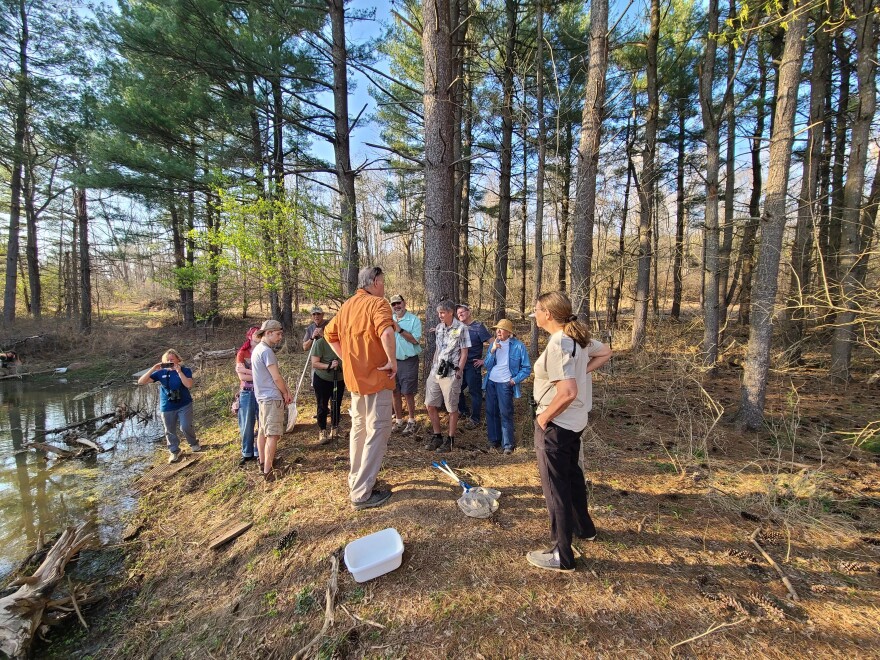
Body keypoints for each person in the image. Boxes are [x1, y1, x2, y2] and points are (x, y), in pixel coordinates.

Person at [527, 291, 612, 572]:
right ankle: (584, 528)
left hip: (557, 426)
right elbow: (606, 351)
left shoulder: (559, 343)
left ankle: (561, 555)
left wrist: (544, 418)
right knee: (573, 476)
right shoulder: (576, 337)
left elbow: (568, 392)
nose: (534, 314)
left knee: (556, 488)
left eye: (537, 310)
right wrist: (582, 371)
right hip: (575, 423)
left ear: (548, 314)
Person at [325, 265, 397, 510]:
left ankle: (357, 480)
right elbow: (387, 332)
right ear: (375, 281)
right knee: (377, 430)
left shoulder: (346, 306)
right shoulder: (378, 304)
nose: (384, 287)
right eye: (383, 282)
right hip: (377, 378)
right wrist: (392, 361)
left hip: (355, 380)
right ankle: (361, 493)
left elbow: (329, 334)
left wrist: (347, 359)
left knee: (360, 430)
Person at [137, 349, 201, 463]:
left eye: (172, 359)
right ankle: (174, 451)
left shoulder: (185, 370)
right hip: (167, 406)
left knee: (185, 426)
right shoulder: (161, 373)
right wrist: (153, 369)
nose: (170, 361)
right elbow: (141, 382)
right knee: (169, 430)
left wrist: (179, 372)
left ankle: (194, 444)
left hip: (184, 404)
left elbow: (189, 385)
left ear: (178, 360)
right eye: (167, 360)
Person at [424, 300, 471, 453]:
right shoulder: (439, 328)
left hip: (451, 373)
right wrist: (433, 365)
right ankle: (437, 435)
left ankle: (450, 439)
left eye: (443, 313)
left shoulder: (462, 328)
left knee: (452, 407)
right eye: (439, 313)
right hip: (436, 371)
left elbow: (464, 352)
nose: (440, 316)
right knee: (430, 404)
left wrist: (459, 371)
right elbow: (438, 349)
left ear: (451, 312)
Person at [482, 318, 532, 455]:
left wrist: (514, 381)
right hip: (491, 382)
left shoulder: (518, 346)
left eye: (501, 329)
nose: (497, 331)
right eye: (496, 329)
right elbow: (486, 365)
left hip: (505, 383)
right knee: (491, 412)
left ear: (509, 332)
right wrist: (492, 351)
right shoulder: (494, 344)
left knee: (505, 413)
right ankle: (494, 441)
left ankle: (508, 445)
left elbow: (527, 368)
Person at [251, 319, 293, 481]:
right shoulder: (266, 351)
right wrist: (286, 393)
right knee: (272, 435)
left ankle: (263, 462)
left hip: (262, 398)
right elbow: (276, 377)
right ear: (268, 333)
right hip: (271, 398)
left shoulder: (257, 350)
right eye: (278, 334)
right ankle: (268, 471)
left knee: (263, 432)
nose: (280, 337)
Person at [456, 304, 492, 429]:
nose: (460, 314)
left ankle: (475, 418)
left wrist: (485, 360)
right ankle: (463, 411)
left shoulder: (478, 327)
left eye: (462, 312)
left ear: (469, 312)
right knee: (457, 389)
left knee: (474, 392)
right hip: (460, 365)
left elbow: (493, 343)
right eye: (458, 313)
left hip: (472, 365)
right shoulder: (458, 327)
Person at [390, 294, 422, 435]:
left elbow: (415, 340)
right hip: (392, 361)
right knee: (394, 391)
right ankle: (398, 421)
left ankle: (411, 421)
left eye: (399, 303)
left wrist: (400, 329)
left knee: (408, 392)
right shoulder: (388, 319)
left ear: (404, 303)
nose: (397, 306)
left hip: (408, 361)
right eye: (394, 304)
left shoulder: (414, 320)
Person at [310, 335, 345, 444]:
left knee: (336, 404)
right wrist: (328, 365)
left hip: (339, 378)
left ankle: (335, 428)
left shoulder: (344, 340)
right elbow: (314, 363)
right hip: (322, 378)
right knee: (322, 405)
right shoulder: (320, 343)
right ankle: (322, 430)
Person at [235, 326, 261, 466]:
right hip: (247, 391)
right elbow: (241, 375)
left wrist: (248, 371)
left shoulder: (263, 350)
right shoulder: (242, 353)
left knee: (261, 422)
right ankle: (247, 452)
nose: (259, 336)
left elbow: (267, 373)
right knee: (246, 423)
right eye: (256, 334)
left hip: (261, 390)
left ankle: (259, 451)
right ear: (250, 336)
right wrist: (259, 374)